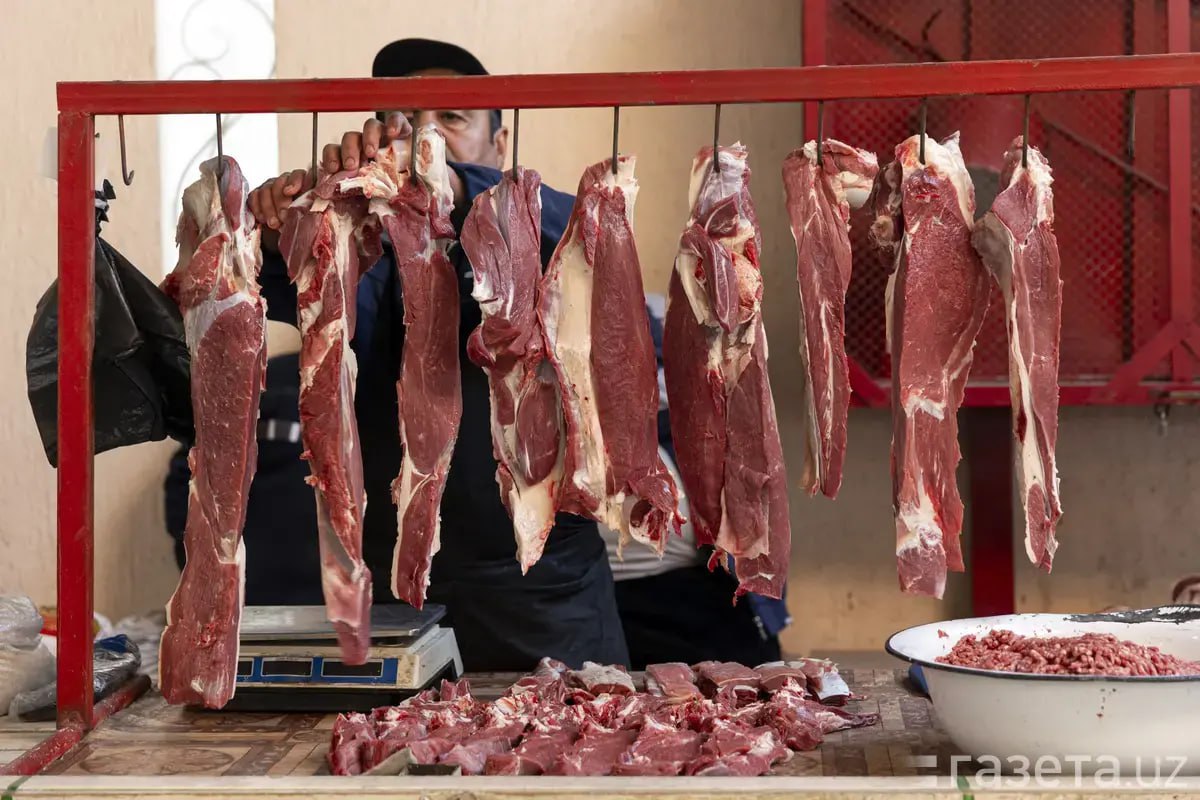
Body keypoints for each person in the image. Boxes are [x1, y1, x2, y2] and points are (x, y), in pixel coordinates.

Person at [166, 38, 788, 671]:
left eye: (452, 118)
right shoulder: (370, 235)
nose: (424, 135)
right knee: (398, 733)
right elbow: (302, 300)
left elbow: (581, 249)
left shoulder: (546, 223)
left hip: (541, 591)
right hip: (398, 586)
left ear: (500, 140)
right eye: (403, 121)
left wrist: (457, 186)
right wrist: (287, 225)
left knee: (566, 730)